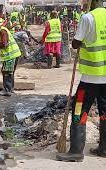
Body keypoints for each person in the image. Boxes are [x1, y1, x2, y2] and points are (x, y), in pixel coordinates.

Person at [57, 0, 106, 162]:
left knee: (79, 110)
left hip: (92, 76)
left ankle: (76, 151)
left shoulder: (88, 18)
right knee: (105, 112)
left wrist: (79, 41)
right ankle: (104, 148)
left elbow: (76, 43)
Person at [0, 18, 21, 96]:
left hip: (11, 55)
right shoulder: (3, 30)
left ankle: (7, 90)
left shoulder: (2, 31)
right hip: (14, 54)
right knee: (10, 72)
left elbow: (4, 44)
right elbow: (3, 48)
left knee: (6, 72)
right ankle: (10, 89)